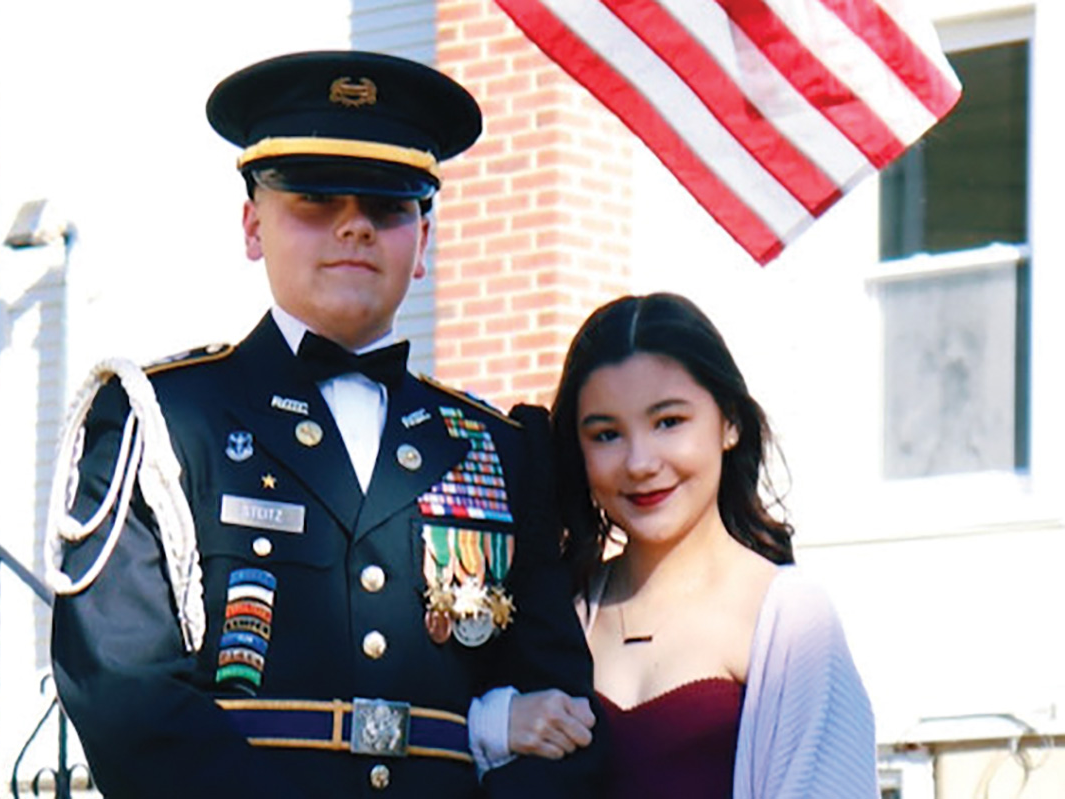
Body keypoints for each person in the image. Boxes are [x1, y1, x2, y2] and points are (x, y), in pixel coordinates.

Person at [46, 50, 603, 798]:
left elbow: (562, 717)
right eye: (314, 200)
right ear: (252, 225)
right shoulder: (162, 425)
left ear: (424, 241)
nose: (354, 228)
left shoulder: (500, 452)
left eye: (387, 205)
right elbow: (124, 696)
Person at [488, 293, 879, 797]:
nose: (640, 462)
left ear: (730, 422)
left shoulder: (790, 618)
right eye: (606, 434)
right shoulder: (559, 612)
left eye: (668, 422)